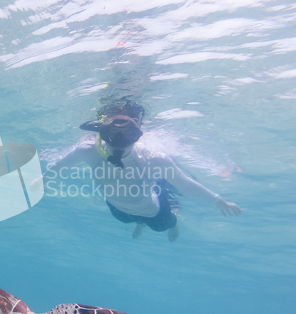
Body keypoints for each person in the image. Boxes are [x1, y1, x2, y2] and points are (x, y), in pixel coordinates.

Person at [41, 99, 241, 241]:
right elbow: (59, 166)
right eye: (113, 134)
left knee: (163, 226)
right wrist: (40, 181)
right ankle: (141, 222)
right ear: (102, 134)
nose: (120, 142)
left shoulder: (154, 159)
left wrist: (218, 201)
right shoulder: (87, 151)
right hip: (118, 210)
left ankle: (168, 207)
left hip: (154, 211)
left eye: (128, 135)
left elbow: (186, 185)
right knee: (126, 220)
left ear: (138, 136)